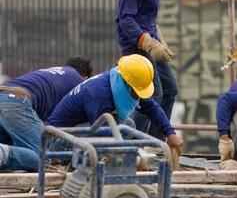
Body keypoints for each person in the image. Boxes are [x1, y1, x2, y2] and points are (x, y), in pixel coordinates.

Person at [115, 0, 185, 140]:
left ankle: (155, 140)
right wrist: (148, 43)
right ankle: (132, 142)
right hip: (135, 45)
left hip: (149, 39)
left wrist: (159, 39)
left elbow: (147, 15)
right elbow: (125, 18)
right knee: (152, 94)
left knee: (170, 89)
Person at [47, 54, 183, 157]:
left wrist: (170, 133)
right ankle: (81, 164)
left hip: (75, 131)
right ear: (128, 84)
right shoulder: (100, 94)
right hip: (59, 140)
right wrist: (135, 159)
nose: (138, 97)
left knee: (127, 125)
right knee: (119, 130)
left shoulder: (118, 81)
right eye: (136, 93)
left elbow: (152, 108)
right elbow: (103, 137)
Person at [0, 57, 92, 171]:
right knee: (44, 157)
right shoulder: (79, 82)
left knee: (5, 163)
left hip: (5, 96)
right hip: (15, 101)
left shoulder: (54, 73)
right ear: (85, 77)